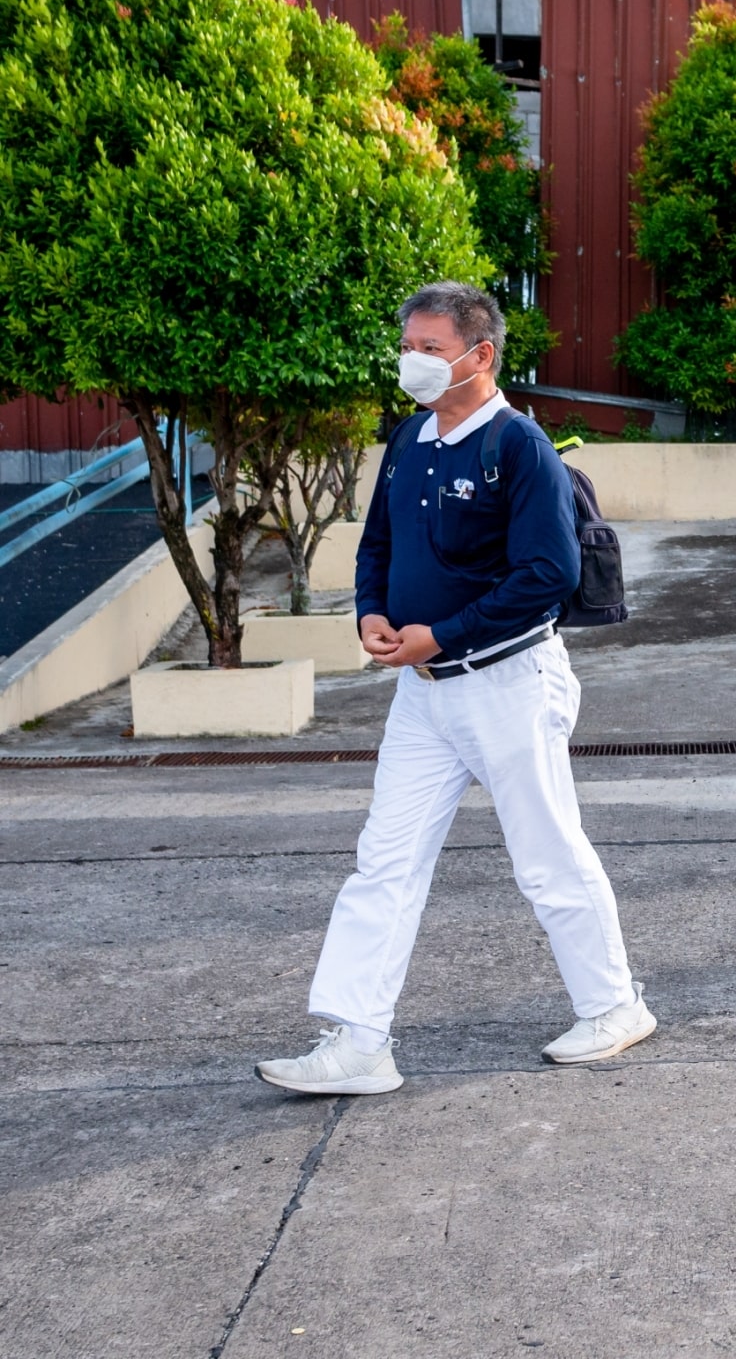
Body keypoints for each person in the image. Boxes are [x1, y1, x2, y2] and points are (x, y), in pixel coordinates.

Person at [259, 282, 654, 1096]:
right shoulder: (411, 437)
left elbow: (549, 574)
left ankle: (615, 1005)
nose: (411, 360)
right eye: (408, 344)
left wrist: (440, 633)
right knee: (384, 863)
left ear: (480, 355)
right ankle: (359, 1042)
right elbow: (380, 542)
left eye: (429, 348)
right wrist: (371, 611)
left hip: (508, 682)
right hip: (425, 693)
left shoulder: (519, 448)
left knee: (546, 856)